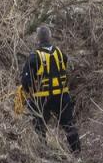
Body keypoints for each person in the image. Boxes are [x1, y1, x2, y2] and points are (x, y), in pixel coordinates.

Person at [20, 25, 80, 154]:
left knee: (39, 128)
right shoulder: (60, 54)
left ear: (37, 39)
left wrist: (29, 94)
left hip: (43, 99)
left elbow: (26, 81)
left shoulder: (34, 57)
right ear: (50, 37)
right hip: (62, 97)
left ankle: (44, 154)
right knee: (69, 126)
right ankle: (77, 154)